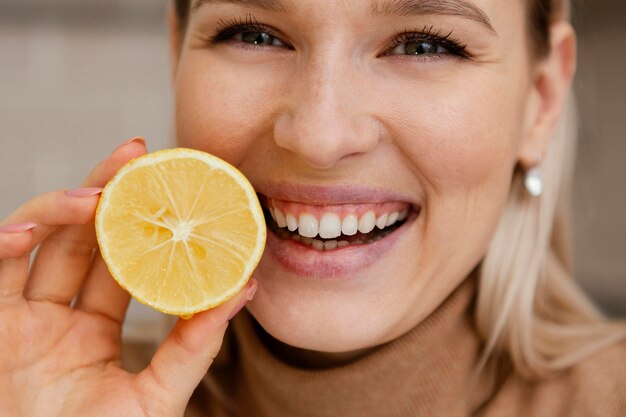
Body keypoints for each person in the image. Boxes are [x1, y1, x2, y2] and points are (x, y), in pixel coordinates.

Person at [0, 0, 624, 415]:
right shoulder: (56, 397)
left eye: (424, 46)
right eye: (256, 34)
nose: (320, 137)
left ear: (540, 101)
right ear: (176, 55)